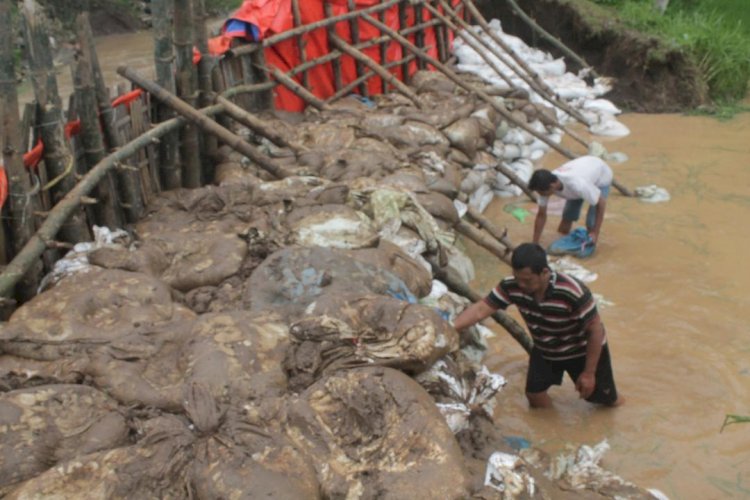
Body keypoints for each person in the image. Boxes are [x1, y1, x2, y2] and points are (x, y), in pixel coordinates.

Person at [453, 243, 623, 408]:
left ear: (544, 272)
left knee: (604, 401)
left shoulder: (572, 291)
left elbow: (596, 329)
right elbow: (481, 309)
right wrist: (451, 328)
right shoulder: (511, 286)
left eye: (527, 281)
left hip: (581, 350)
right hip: (546, 348)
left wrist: (589, 373)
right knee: (534, 394)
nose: (521, 285)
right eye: (518, 278)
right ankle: (554, 432)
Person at [528, 156, 613, 245]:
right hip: (583, 174)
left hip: (601, 177)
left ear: (552, 186)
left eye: (542, 193)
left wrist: (595, 232)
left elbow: (601, 203)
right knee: (568, 215)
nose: (541, 196)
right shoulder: (544, 185)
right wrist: (535, 242)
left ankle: (590, 244)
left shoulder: (577, 184)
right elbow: (541, 215)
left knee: (591, 222)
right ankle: (564, 235)